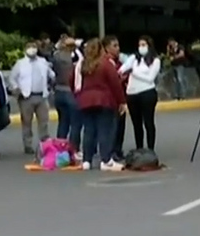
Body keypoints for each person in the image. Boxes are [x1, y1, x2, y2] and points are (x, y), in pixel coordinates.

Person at [76, 39, 126, 171]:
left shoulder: (84, 64)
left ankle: (87, 160)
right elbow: (115, 83)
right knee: (104, 130)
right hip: (103, 100)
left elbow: (73, 80)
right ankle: (106, 160)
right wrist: (121, 101)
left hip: (86, 101)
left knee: (89, 131)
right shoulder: (105, 64)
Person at [9, 40, 54, 154]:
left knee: (44, 122)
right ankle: (28, 145)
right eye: (30, 47)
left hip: (41, 95)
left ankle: (45, 144)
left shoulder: (43, 62)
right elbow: (12, 78)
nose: (32, 49)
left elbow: (51, 75)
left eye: (34, 47)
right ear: (25, 49)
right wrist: (16, 89)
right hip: (26, 97)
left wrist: (49, 84)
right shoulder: (20, 63)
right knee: (27, 122)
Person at [120, 36, 161, 152]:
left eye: (144, 45)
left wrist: (133, 72)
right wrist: (125, 71)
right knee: (136, 124)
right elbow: (123, 69)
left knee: (148, 122)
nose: (141, 47)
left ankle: (150, 149)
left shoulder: (155, 60)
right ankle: (139, 149)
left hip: (147, 93)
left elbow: (150, 78)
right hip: (132, 94)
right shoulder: (134, 58)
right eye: (139, 45)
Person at [52, 37, 80, 149]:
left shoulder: (56, 56)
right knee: (75, 123)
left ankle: (60, 147)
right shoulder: (73, 58)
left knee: (63, 122)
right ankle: (74, 148)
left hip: (58, 91)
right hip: (70, 92)